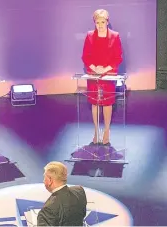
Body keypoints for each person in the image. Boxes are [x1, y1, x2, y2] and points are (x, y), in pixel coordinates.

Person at [82, 9, 123, 146]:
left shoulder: (115, 36)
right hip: (93, 74)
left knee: (107, 103)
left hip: (108, 74)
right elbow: (85, 56)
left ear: (107, 21)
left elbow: (118, 57)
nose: (100, 25)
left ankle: (106, 130)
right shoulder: (89, 36)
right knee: (95, 103)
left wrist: (104, 69)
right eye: (97, 22)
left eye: (103, 22)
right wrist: (94, 68)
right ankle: (96, 130)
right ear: (94, 22)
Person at [37, 161, 87, 226]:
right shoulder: (79, 191)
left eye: (44, 177)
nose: (43, 180)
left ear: (50, 180)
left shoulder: (47, 210)